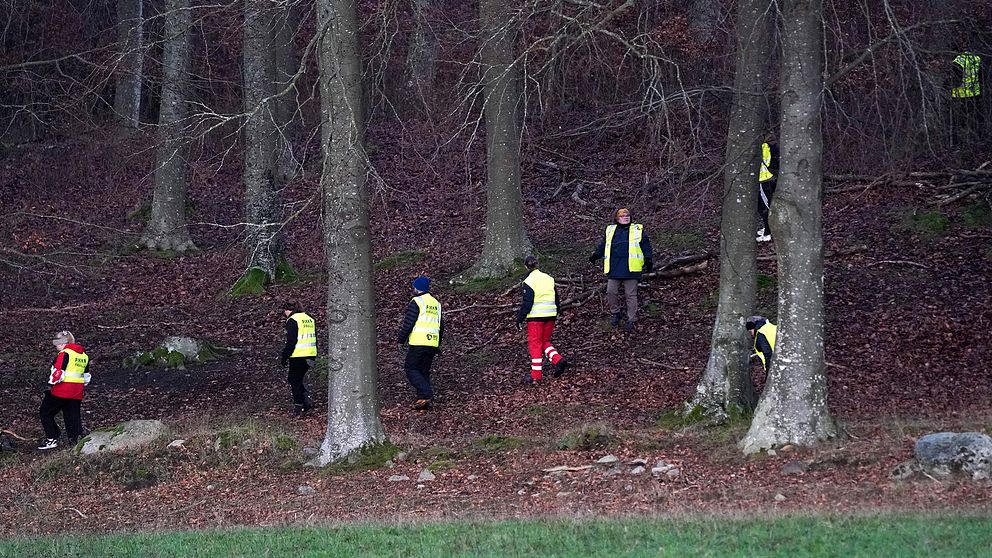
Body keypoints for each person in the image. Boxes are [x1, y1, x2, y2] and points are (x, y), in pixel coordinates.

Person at [588, 207, 653, 331]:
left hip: (631, 269)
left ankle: (631, 319)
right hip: (614, 267)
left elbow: (646, 246)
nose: (626, 217)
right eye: (623, 216)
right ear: (617, 218)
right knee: (611, 292)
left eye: (627, 215)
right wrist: (596, 255)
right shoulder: (610, 230)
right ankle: (615, 313)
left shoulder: (637, 229)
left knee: (631, 295)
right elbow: (603, 245)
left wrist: (648, 259)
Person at [516, 255, 568, 384]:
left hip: (536, 317)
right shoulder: (549, 279)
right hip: (550, 314)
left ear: (526, 267)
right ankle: (558, 360)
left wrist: (519, 318)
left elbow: (527, 303)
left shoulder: (528, 282)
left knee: (535, 344)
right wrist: (556, 312)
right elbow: (556, 298)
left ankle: (535, 376)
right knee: (544, 341)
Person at [38, 330, 91, 450]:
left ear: (62, 343)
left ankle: (52, 438)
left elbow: (57, 373)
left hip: (61, 390)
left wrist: (51, 383)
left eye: (56, 342)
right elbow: (86, 377)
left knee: (45, 412)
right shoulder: (83, 356)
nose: (55, 345)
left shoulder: (64, 354)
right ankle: (74, 443)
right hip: (77, 392)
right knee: (72, 415)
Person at [396, 276, 443, 410]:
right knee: (423, 371)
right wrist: (437, 344)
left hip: (419, 341)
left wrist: (401, 340)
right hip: (432, 342)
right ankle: (423, 402)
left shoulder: (417, 302)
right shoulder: (436, 303)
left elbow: (408, 323)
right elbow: (441, 326)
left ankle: (425, 393)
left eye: (414, 286)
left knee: (411, 368)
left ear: (418, 288)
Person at [281, 301, 317, 417]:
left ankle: (299, 408)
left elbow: (291, 341)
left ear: (288, 310)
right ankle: (305, 402)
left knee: (294, 380)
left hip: (298, 355)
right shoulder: (309, 318)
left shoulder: (292, 320)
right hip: (310, 354)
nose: (284, 314)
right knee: (298, 379)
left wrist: (285, 355)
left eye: (284, 312)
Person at [757, 139, 779, 242]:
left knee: (765, 206)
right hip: (765, 179)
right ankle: (767, 227)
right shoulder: (767, 145)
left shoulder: (764, 146)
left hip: (764, 179)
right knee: (762, 206)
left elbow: (766, 161)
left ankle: (768, 232)